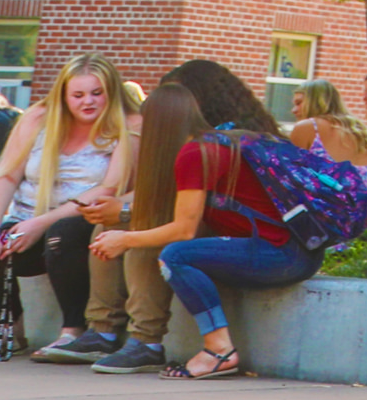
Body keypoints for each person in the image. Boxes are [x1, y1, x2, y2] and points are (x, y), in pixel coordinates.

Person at [92, 60, 319, 379]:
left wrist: (124, 238)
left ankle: (218, 349)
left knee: (176, 256)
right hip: (297, 250)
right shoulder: (222, 140)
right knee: (170, 247)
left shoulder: (195, 154)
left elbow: (184, 229)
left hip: (281, 254)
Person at [0, 56, 134, 362]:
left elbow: (108, 189)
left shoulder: (126, 124)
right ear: (63, 95)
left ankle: (73, 332)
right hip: (28, 220)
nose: (88, 102)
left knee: (61, 235)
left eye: (97, 93)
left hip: (80, 223)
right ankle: (8, 329)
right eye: (78, 95)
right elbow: (7, 175)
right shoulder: (38, 118)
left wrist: (41, 223)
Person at [79, 82, 203, 373]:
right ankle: (102, 330)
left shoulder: (196, 152)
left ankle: (146, 341)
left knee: (142, 234)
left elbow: (184, 225)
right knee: (109, 228)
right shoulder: (184, 148)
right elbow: (164, 195)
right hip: (206, 229)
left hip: (241, 239)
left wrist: (128, 233)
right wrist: (119, 210)